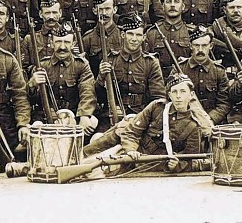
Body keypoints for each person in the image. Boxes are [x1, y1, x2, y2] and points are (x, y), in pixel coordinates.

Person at [84, 73, 212, 173]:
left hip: (154, 165)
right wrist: (130, 150)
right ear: (169, 95)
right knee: (91, 164)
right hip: (132, 154)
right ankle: (82, 155)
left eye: (183, 91)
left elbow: (190, 158)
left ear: (191, 95)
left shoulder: (194, 125)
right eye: (174, 92)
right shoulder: (157, 107)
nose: (178, 96)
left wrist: (177, 165)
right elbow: (131, 132)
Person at [28, 21, 98, 134]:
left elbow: (87, 91)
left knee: (91, 124)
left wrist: (84, 115)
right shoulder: (42, 65)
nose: (62, 47)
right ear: (51, 43)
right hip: (47, 118)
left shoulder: (81, 65)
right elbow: (32, 99)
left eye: (66, 42)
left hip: (74, 117)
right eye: (58, 42)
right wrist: (31, 85)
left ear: (73, 43)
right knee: (36, 129)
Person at [98, 14, 168, 122]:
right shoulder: (110, 60)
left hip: (142, 116)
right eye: (130, 34)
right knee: (97, 138)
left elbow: (158, 99)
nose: (134, 39)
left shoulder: (151, 63)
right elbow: (99, 95)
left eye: (138, 35)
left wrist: (145, 116)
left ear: (144, 37)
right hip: (113, 116)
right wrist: (101, 77)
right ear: (122, 35)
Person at [181, 24, 233, 126]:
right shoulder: (180, 69)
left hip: (213, 123)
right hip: (187, 122)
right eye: (196, 45)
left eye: (204, 45)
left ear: (211, 46)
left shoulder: (219, 71)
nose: (200, 50)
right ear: (190, 46)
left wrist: (210, 119)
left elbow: (224, 103)